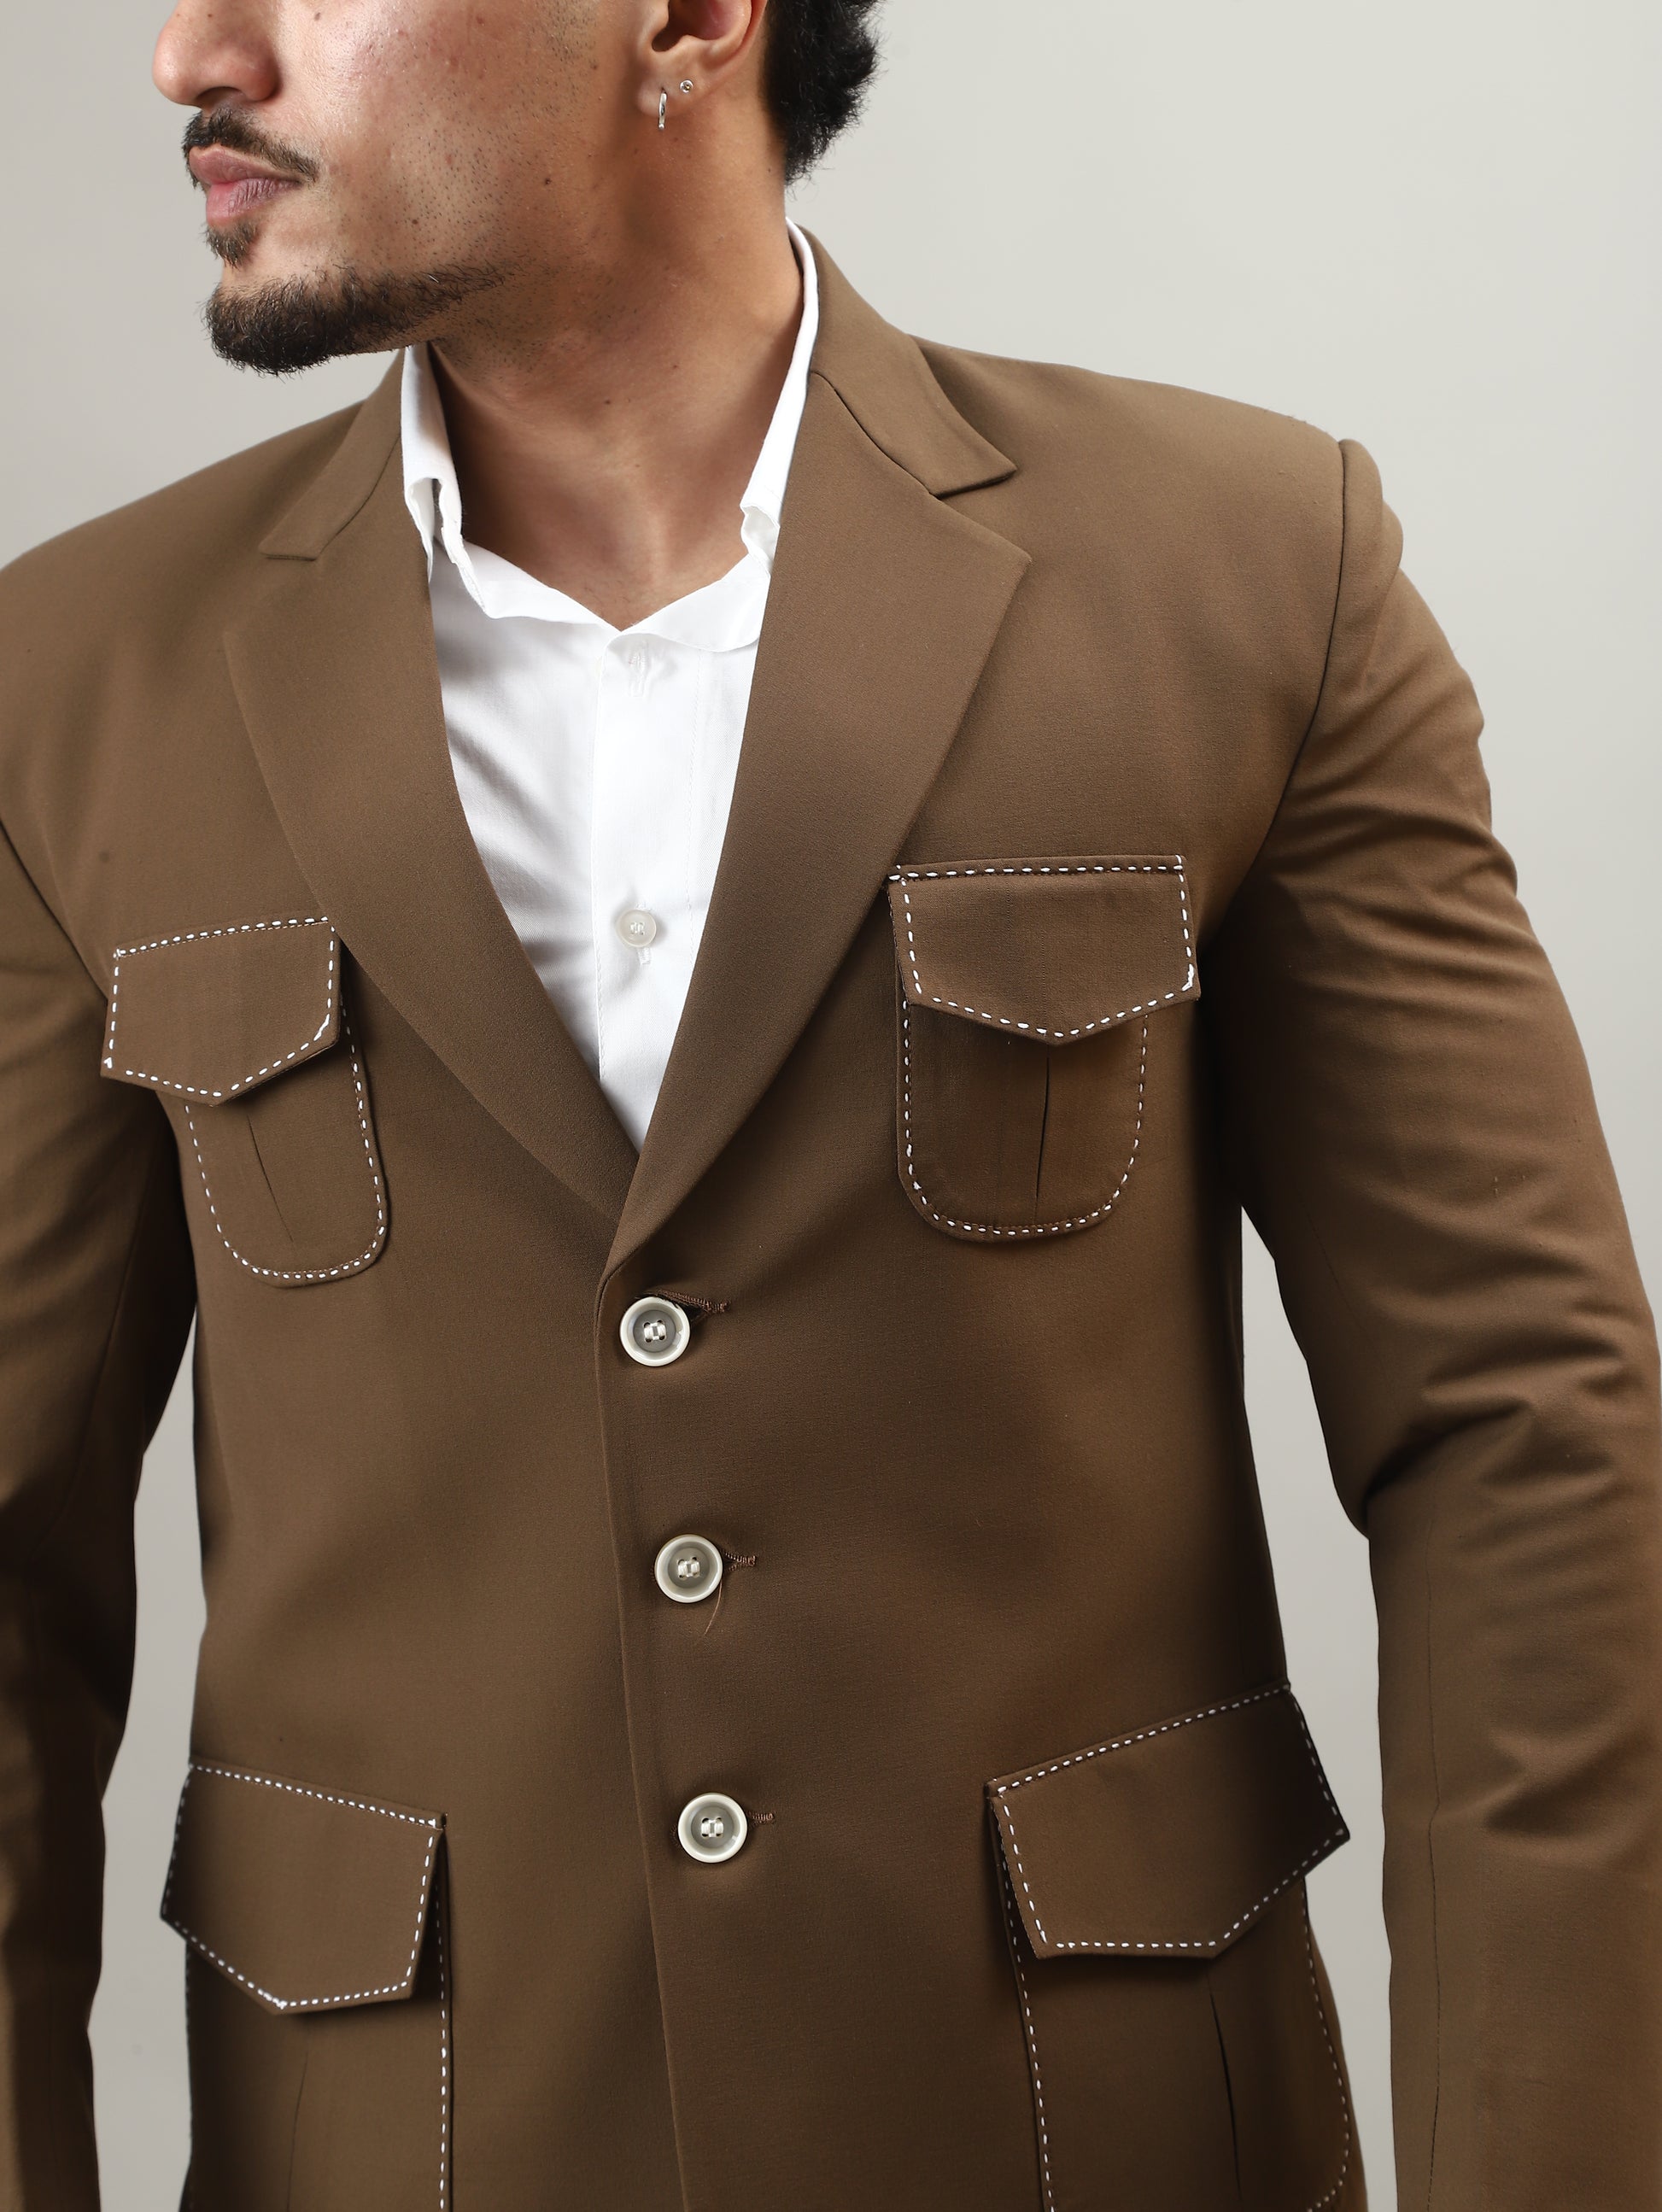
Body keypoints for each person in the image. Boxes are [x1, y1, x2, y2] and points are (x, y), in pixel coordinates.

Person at [0, 0, 1656, 2205]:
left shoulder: (1253, 571)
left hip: (1096, 2146)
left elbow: (1522, 1437)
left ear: (689, 22)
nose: (190, 53)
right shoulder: (72, 682)